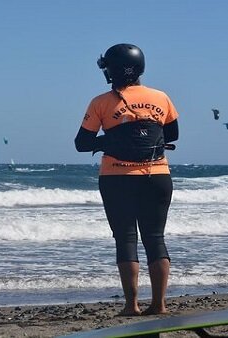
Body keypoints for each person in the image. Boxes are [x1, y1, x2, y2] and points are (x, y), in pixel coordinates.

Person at [75, 43, 179, 316]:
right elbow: (173, 135)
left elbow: (82, 144)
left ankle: (131, 306)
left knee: (126, 239)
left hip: (116, 178)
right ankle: (159, 305)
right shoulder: (161, 97)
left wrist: (112, 139)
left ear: (112, 70)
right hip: (157, 176)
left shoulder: (101, 102)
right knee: (156, 238)